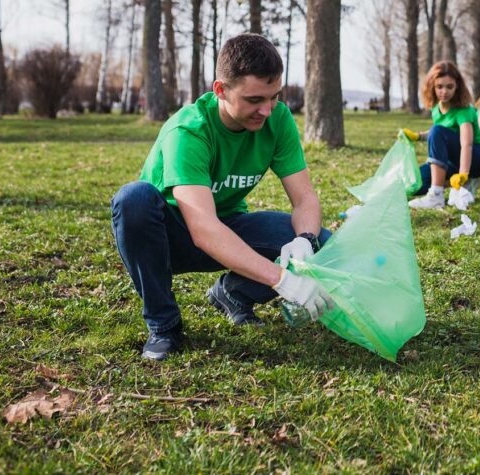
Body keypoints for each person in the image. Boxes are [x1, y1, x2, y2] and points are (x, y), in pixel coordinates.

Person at [111, 33, 333, 361]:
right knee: (133, 199)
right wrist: (281, 279)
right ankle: (164, 326)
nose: (267, 110)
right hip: (168, 237)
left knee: (322, 242)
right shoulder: (189, 131)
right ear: (220, 90)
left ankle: (233, 293)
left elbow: (305, 199)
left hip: (227, 226)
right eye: (255, 99)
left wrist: (305, 239)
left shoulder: (279, 120)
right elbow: (202, 230)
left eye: (274, 97)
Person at [404, 61, 480, 209]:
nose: (444, 91)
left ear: (457, 86)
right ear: (432, 86)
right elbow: (442, 133)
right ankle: (450, 184)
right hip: (454, 158)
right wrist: (418, 136)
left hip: (477, 157)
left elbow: (467, 144)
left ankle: (436, 196)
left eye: (449, 87)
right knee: (416, 183)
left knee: (437, 131)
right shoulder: (436, 108)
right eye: (439, 87)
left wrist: (463, 173)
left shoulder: (463, 110)